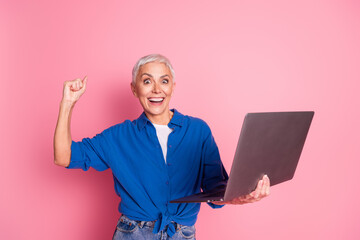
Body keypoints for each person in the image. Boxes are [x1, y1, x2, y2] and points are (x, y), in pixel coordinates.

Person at [54, 54, 270, 240]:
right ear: (134, 88)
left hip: (182, 234)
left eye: (164, 81)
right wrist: (68, 103)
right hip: (133, 233)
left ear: (172, 87)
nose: (157, 89)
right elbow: (64, 157)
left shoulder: (198, 131)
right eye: (147, 81)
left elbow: (216, 190)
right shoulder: (118, 136)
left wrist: (242, 197)